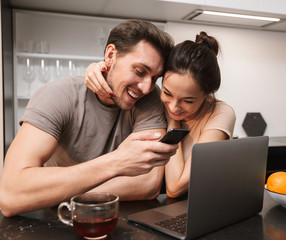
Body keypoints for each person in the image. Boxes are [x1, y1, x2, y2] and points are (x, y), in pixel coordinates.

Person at [0, 19, 178, 217]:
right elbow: (10, 195)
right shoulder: (57, 96)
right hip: (60, 222)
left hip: (108, 218)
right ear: (111, 56)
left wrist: (55, 193)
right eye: (139, 71)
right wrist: (117, 162)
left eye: (154, 78)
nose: (146, 87)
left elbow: (148, 183)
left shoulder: (149, 97)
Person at [84, 31, 236, 198]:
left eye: (188, 100)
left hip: (202, 204)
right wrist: (97, 68)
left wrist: (172, 122)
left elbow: (175, 187)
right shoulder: (151, 96)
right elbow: (121, 81)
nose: (174, 106)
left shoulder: (220, 113)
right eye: (167, 93)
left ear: (207, 94)